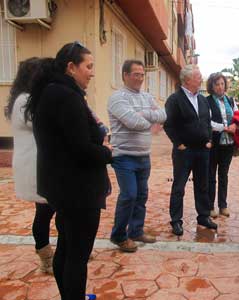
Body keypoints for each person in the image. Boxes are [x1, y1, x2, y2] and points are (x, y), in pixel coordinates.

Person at [25, 42, 112, 300]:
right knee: (77, 256)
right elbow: (80, 148)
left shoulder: (52, 92)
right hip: (78, 191)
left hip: (62, 188)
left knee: (66, 248)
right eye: (89, 66)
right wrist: (108, 152)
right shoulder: (66, 96)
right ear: (71, 67)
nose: (92, 72)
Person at [108, 60, 166, 251]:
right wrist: (150, 119)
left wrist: (143, 113)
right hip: (124, 156)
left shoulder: (147, 97)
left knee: (141, 195)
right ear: (125, 75)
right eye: (136, 74)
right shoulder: (117, 98)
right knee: (129, 195)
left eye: (142, 75)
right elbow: (133, 122)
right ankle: (118, 235)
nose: (140, 78)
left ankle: (136, 231)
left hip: (143, 156)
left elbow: (163, 115)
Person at [5, 57, 56, 274]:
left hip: (42, 163)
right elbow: (48, 122)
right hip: (34, 164)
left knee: (55, 209)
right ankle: (46, 258)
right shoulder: (24, 101)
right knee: (45, 212)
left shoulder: (28, 98)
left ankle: (64, 251)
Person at [164, 64, 217, 236]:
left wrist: (209, 139)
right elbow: (168, 124)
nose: (201, 79)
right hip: (184, 152)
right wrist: (178, 143)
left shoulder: (202, 99)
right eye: (198, 76)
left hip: (203, 150)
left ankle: (203, 216)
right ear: (187, 80)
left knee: (203, 184)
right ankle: (176, 220)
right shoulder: (174, 99)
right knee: (179, 186)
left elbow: (207, 122)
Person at [206, 72, 238, 218]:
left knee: (223, 175)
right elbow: (207, 122)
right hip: (214, 144)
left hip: (228, 144)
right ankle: (210, 206)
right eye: (216, 84)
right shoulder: (206, 101)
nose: (220, 87)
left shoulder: (231, 101)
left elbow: (238, 117)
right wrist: (224, 127)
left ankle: (223, 206)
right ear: (211, 87)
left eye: (222, 84)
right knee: (211, 175)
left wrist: (235, 125)